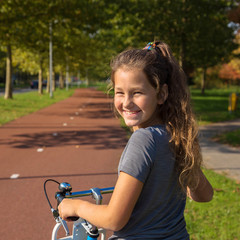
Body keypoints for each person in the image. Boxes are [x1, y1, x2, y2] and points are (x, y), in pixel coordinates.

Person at [58, 41, 213, 239]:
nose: (127, 102)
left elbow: (114, 219)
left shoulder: (143, 140)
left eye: (137, 92)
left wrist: (77, 206)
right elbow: (204, 195)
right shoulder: (175, 135)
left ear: (161, 94)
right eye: (120, 92)